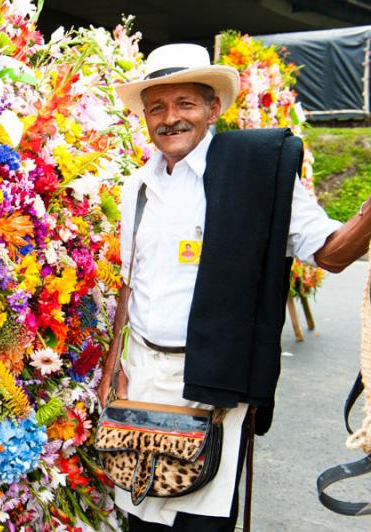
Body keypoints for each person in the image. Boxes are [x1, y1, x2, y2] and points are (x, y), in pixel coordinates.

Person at [97, 43, 371, 531]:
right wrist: (113, 367)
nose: (170, 118)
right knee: (138, 517)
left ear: (212, 109)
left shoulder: (258, 176)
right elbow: (128, 282)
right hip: (140, 378)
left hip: (209, 382)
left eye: (185, 104)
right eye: (156, 107)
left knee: (201, 520)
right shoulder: (136, 186)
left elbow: (330, 253)